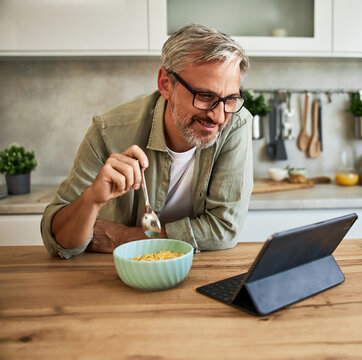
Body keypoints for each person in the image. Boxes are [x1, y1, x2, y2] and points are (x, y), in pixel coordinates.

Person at [41, 24, 253, 258]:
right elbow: (58, 240)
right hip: (115, 276)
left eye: (231, 99)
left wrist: (119, 238)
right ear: (165, 83)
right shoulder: (108, 131)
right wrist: (91, 199)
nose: (219, 115)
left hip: (194, 271)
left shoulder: (236, 123)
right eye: (204, 96)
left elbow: (223, 229)